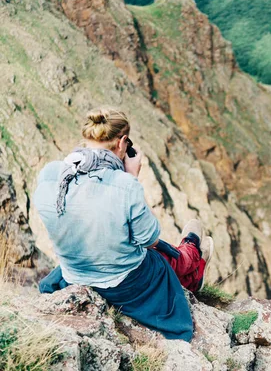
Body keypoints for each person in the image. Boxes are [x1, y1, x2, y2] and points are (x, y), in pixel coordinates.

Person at [33, 108, 214, 342]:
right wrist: (131, 178)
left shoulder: (51, 175)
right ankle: (192, 256)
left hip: (75, 272)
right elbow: (148, 237)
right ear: (123, 143)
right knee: (161, 259)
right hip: (124, 282)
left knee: (139, 247)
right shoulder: (124, 186)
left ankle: (192, 259)